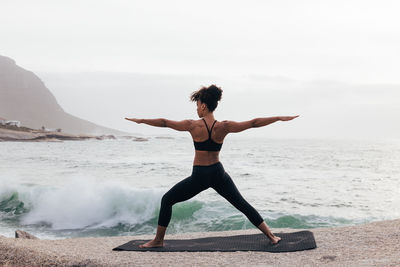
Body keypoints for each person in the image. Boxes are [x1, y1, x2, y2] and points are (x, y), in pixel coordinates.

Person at [125, 84, 299, 248]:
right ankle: (271, 236)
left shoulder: (192, 125)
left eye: (197, 104)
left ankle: (158, 241)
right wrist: (278, 118)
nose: (196, 108)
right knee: (242, 204)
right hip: (218, 173)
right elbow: (253, 123)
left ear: (203, 106)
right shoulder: (224, 126)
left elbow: (164, 122)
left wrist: (141, 120)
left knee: (167, 200)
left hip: (199, 175)